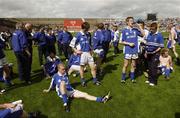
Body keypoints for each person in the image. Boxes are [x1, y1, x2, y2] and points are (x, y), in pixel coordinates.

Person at [43, 64, 110, 112]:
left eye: (65, 69)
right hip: (61, 92)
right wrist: (48, 90)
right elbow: (52, 83)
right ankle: (66, 104)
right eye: (63, 69)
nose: (64, 70)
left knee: (85, 94)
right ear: (58, 69)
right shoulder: (55, 76)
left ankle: (101, 99)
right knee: (62, 83)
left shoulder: (65, 74)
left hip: (70, 90)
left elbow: (72, 69)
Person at [71, 22, 100, 86]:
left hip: (89, 53)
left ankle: (95, 80)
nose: (88, 30)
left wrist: (92, 50)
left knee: (93, 67)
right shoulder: (78, 35)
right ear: (83, 28)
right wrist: (76, 51)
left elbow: (90, 44)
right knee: (82, 68)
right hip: (82, 54)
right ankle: (83, 81)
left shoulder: (88, 34)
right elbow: (71, 44)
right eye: (87, 29)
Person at [120, 17, 145, 83]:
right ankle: (123, 78)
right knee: (126, 65)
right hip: (128, 50)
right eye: (131, 21)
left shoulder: (135, 30)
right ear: (127, 22)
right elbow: (121, 41)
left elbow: (143, 34)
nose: (132, 22)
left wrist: (140, 27)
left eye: (133, 20)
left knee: (133, 65)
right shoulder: (124, 30)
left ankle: (132, 78)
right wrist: (129, 43)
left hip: (134, 50)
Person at [145, 22, 164, 86]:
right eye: (151, 29)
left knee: (153, 67)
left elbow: (161, 46)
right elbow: (147, 44)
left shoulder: (159, 35)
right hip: (148, 53)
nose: (151, 30)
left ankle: (154, 81)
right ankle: (149, 79)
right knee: (149, 67)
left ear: (156, 29)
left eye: (153, 29)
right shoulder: (149, 34)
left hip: (155, 53)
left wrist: (155, 51)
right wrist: (145, 52)